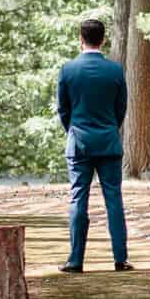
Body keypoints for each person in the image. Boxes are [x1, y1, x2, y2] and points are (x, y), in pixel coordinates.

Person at [56, 17, 130, 273]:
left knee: (78, 198)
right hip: (108, 142)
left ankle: (75, 260)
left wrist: (74, 130)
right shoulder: (115, 70)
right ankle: (120, 259)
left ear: (81, 39)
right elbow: (121, 108)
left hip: (79, 143)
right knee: (114, 200)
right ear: (103, 40)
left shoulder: (68, 70)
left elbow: (63, 109)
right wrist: (109, 128)